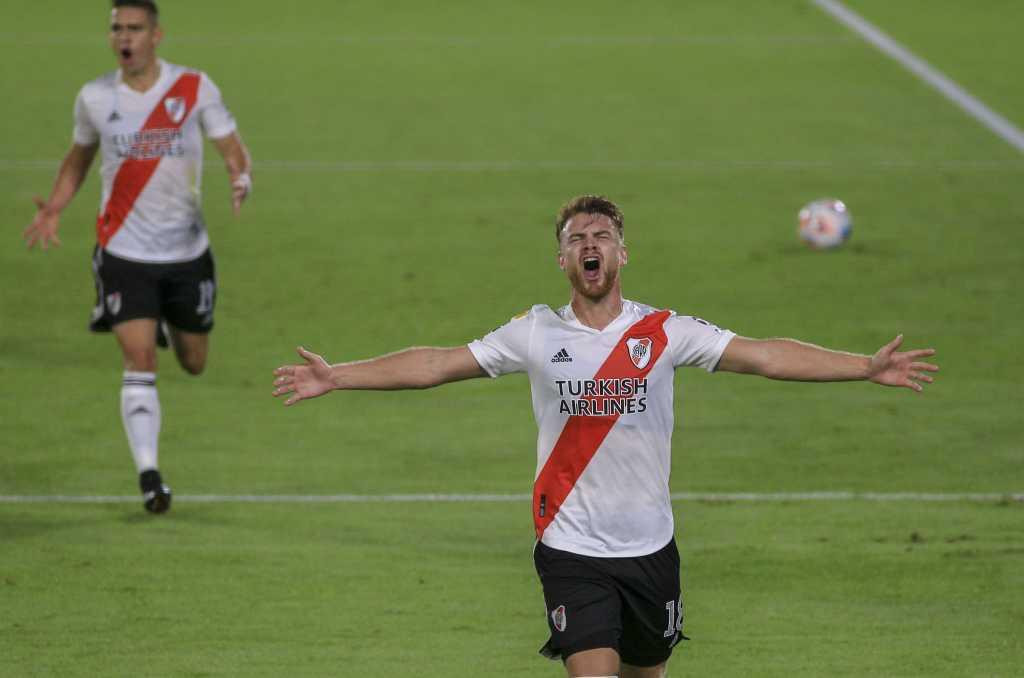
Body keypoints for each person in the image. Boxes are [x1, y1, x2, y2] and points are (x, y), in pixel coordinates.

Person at [271, 195, 937, 677]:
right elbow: (436, 364)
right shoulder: (534, 332)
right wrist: (342, 377)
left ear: (622, 252)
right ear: (562, 259)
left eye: (603, 234)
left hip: (651, 548)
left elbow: (765, 355)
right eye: (577, 237)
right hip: (570, 549)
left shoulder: (666, 332)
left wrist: (863, 367)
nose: (590, 243)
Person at [24, 0, 252, 514]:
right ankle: (150, 476)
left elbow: (232, 146)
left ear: (156, 35)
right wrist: (55, 208)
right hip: (122, 251)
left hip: (187, 253)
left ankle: (169, 323)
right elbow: (79, 158)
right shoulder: (94, 97)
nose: (124, 38)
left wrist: (242, 176)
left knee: (194, 362)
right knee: (140, 358)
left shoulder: (193, 87)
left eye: (134, 29)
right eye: (116, 29)